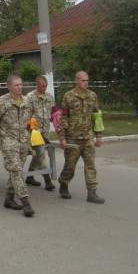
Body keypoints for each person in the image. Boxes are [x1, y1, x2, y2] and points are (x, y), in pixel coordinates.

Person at [0, 75, 35, 218]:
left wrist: (31, 133)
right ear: (8, 87)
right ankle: (26, 203)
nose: (19, 87)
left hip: (23, 141)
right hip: (8, 141)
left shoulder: (27, 101)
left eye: (21, 85)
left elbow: (30, 120)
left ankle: (9, 199)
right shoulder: (2, 102)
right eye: (16, 85)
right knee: (15, 170)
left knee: (16, 172)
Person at [57, 71, 105, 204]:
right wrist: (62, 138)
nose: (86, 83)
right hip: (73, 138)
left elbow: (97, 116)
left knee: (91, 165)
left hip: (88, 137)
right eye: (83, 80)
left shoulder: (92, 96)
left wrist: (98, 135)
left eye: (87, 80)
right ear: (77, 81)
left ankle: (92, 193)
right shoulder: (68, 96)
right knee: (70, 166)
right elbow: (64, 118)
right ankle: (64, 184)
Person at [24, 76, 56, 191]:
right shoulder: (29, 97)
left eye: (46, 86)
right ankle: (48, 181)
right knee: (41, 153)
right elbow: (25, 115)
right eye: (42, 86)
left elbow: (53, 113)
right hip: (33, 132)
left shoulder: (49, 97)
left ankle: (29, 177)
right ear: (37, 85)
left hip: (45, 131)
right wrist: (31, 127)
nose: (44, 88)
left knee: (38, 155)